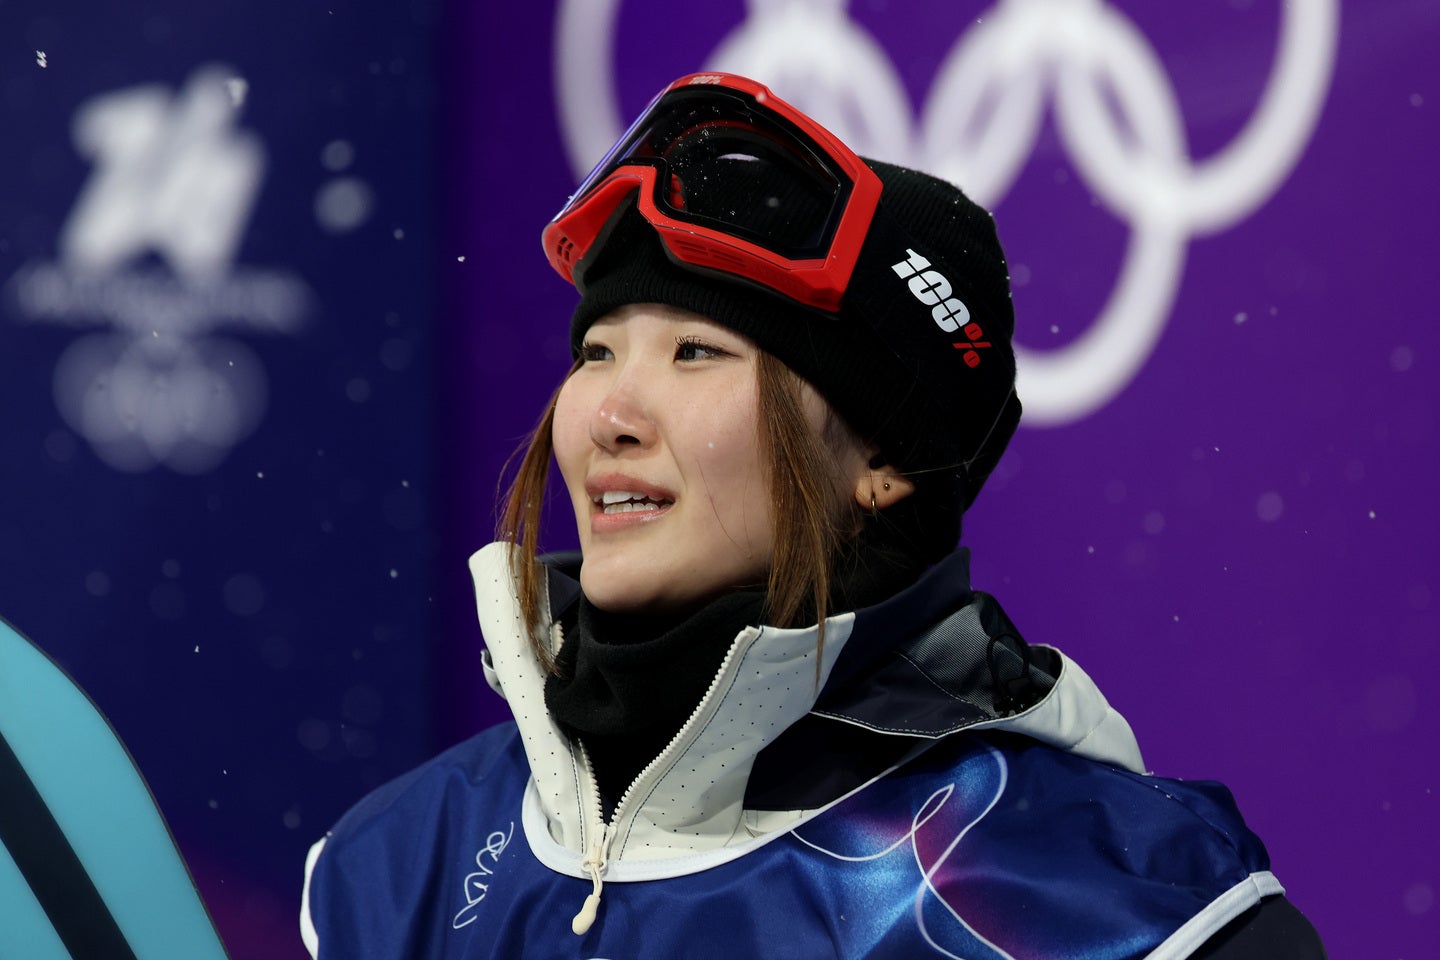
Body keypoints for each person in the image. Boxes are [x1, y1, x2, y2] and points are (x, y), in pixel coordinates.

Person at [300, 73, 1325, 959]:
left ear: (882, 456)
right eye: (596, 352)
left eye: (697, 352)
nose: (606, 415)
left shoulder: (1121, 909)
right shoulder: (389, 873)